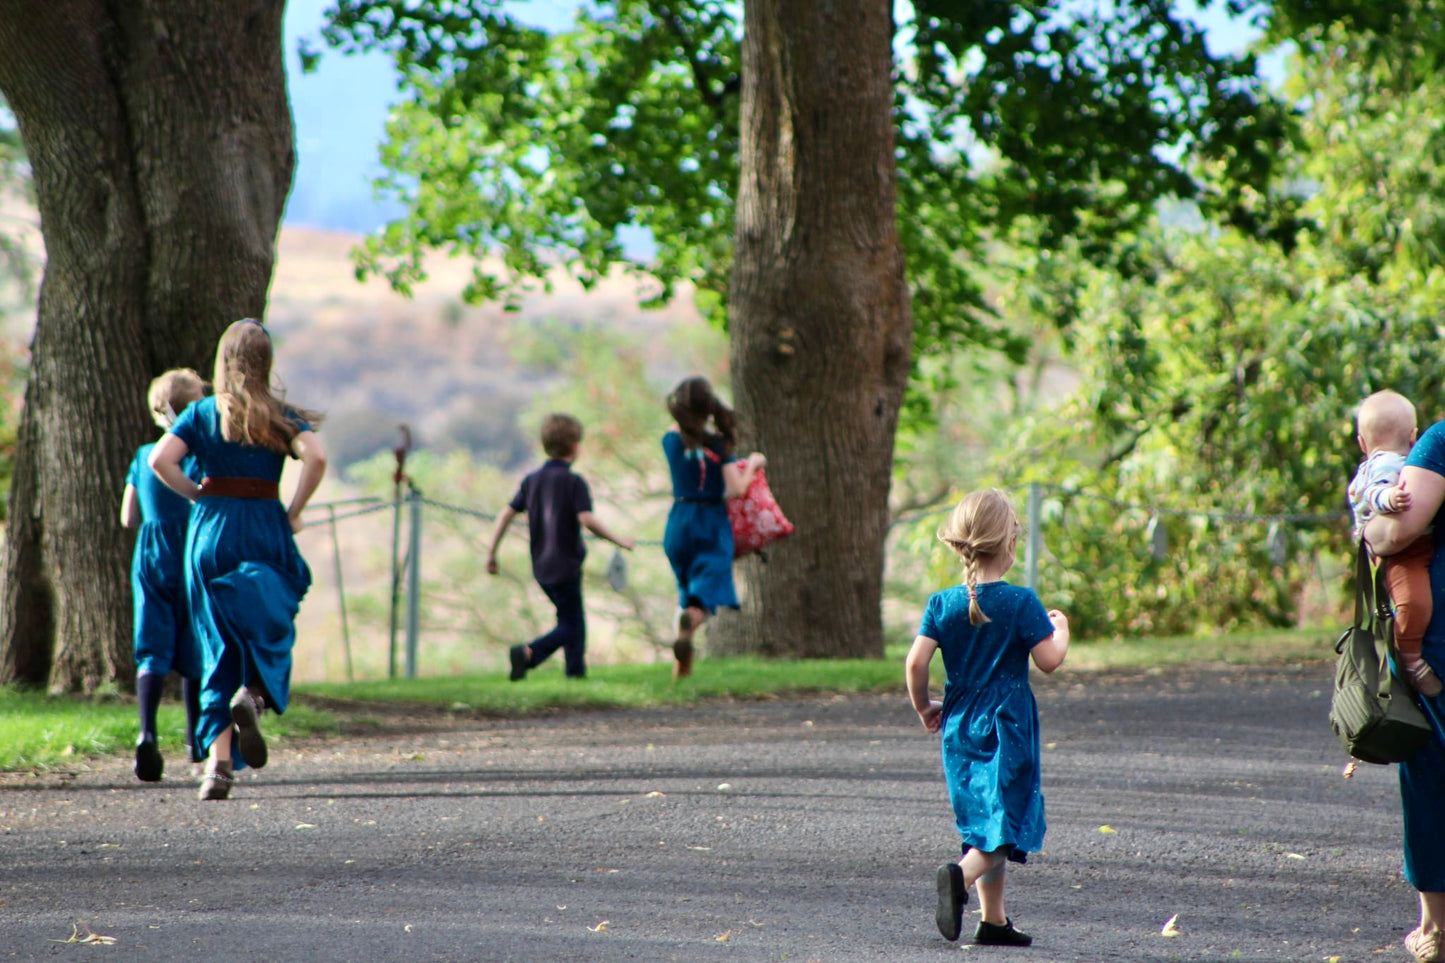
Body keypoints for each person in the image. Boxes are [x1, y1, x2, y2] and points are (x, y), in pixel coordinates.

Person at [149, 319, 327, 801]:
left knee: (216, 646)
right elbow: (316, 459)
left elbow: (159, 461)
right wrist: (293, 511)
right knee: (271, 625)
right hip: (264, 526)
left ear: (222, 361)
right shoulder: (282, 416)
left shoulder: (202, 413)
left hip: (211, 530)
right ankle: (254, 695)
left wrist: (195, 496)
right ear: (267, 361)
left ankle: (218, 770)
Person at [903, 488, 1070, 947]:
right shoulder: (1021, 603)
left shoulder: (942, 603)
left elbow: (916, 663)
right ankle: (957, 878)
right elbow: (1050, 660)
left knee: (983, 820)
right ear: (1011, 543)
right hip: (1007, 726)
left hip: (958, 723)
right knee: (1005, 822)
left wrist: (923, 707)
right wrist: (1062, 629)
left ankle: (992, 921)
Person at [1364, 414, 1445, 963]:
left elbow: (1398, 529)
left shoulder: (1441, 441)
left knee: (1433, 778)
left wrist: (1369, 526)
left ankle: (1436, 929)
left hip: (1441, 643)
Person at [485, 413, 633, 680]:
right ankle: (529, 654)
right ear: (575, 446)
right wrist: (618, 540)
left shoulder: (531, 481)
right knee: (573, 625)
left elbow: (506, 514)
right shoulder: (574, 482)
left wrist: (491, 552)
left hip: (541, 566)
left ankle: (574, 676)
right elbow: (586, 519)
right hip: (565, 565)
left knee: (570, 621)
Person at [121, 368, 207, 782]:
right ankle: (196, 739)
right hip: (190, 553)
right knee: (193, 644)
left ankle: (147, 732)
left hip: (151, 554)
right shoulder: (198, 458)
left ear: (158, 411)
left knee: (152, 646)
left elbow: (127, 516)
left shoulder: (142, 456)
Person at [661, 376, 764, 678]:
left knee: (687, 592)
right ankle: (689, 622)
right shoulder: (719, 445)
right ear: (708, 407)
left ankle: (681, 673)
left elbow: (680, 429)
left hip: (678, 522)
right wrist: (754, 464)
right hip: (710, 524)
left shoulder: (670, 440)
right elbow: (735, 489)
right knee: (703, 602)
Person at [1349, 390, 1441, 696]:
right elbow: (1374, 492)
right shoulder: (1385, 462)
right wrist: (1389, 498)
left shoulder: (1407, 459)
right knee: (1414, 602)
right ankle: (1411, 659)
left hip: (1417, 546)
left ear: (1362, 442)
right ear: (1414, 435)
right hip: (1406, 554)